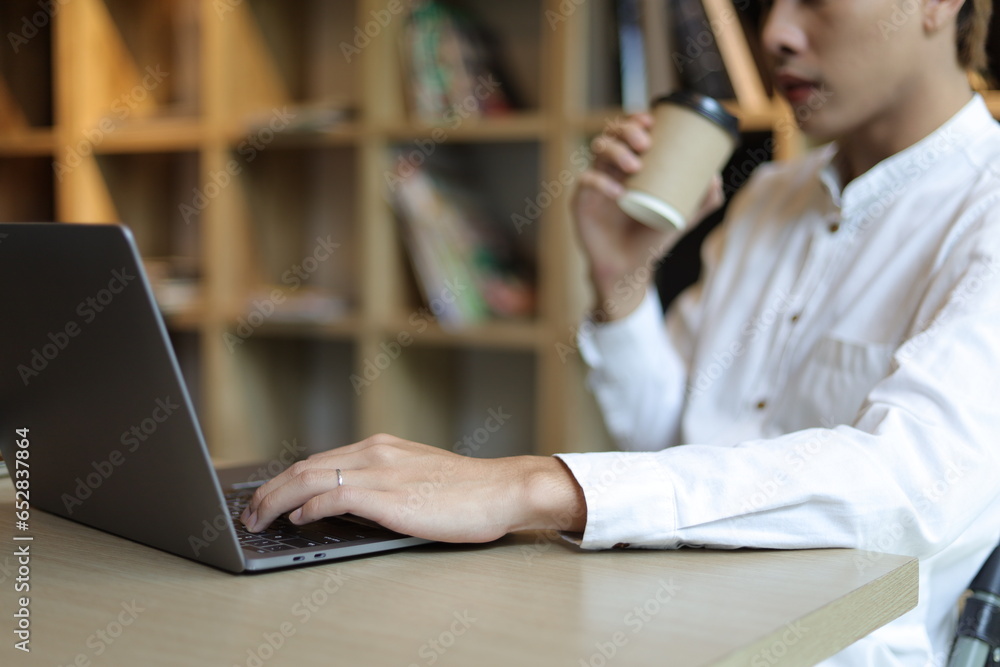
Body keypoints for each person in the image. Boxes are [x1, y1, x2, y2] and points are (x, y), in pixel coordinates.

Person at [242, 0, 1000, 663]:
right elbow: (668, 434)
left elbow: (910, 485)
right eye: (767, 1)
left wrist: (537, 483)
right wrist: (621, 281)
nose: (776, 33)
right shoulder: (771, 195)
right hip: (664, 618)